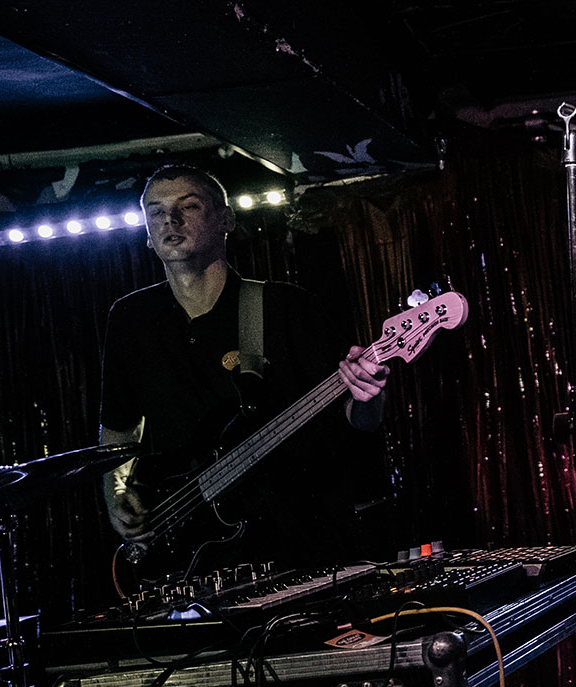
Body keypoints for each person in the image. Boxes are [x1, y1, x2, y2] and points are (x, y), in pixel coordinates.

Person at [99, 165, 388, 580]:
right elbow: (119, 427)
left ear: (226, 220)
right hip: (190, 554)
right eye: (156, 212)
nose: (170, 220)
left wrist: (369, 395)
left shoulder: (285, 307)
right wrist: (117, 494)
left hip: (296, 541)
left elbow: (357, 420)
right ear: (147, 232)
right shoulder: (130, 319)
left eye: (188, 206)